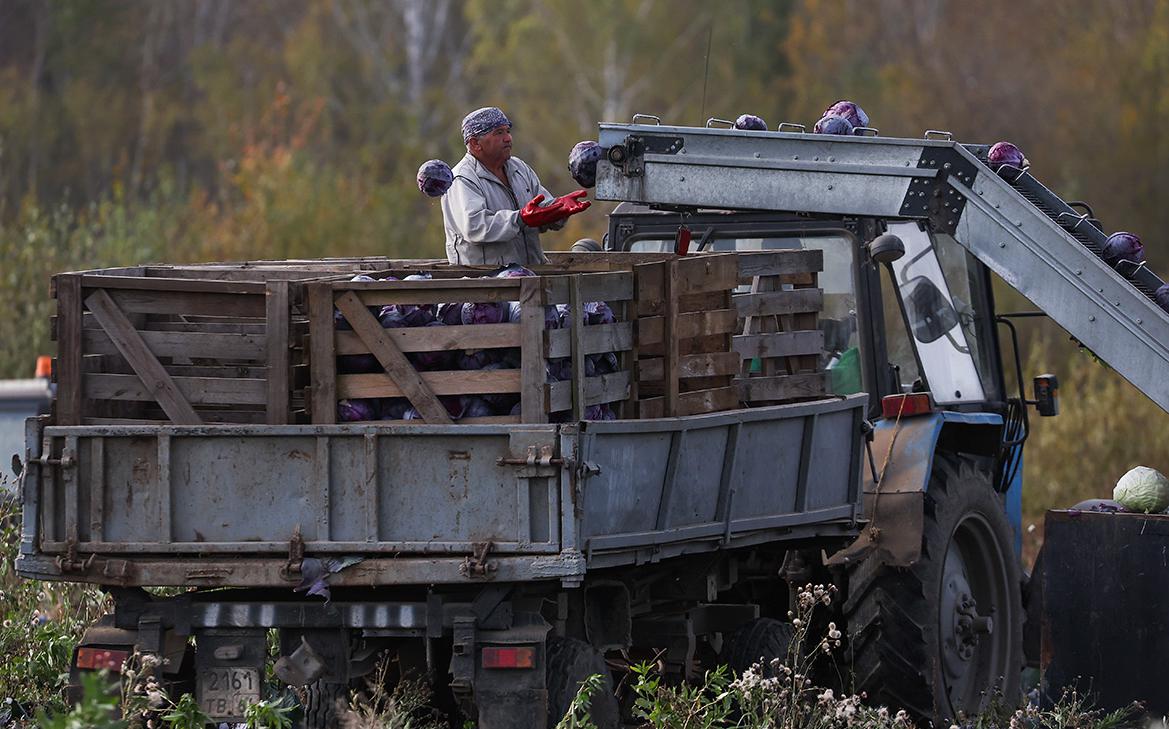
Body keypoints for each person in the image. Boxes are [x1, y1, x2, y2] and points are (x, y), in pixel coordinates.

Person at [442, 106, 590, 265]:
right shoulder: (461, 179)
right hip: (485, 283)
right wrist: (520, 218)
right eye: (499, 133)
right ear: (475, 143)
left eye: (508, 131)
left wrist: (558, 209)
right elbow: (475, 227)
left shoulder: (519, 168)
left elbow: (539, 210)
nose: (508, 138)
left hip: (531, 276)